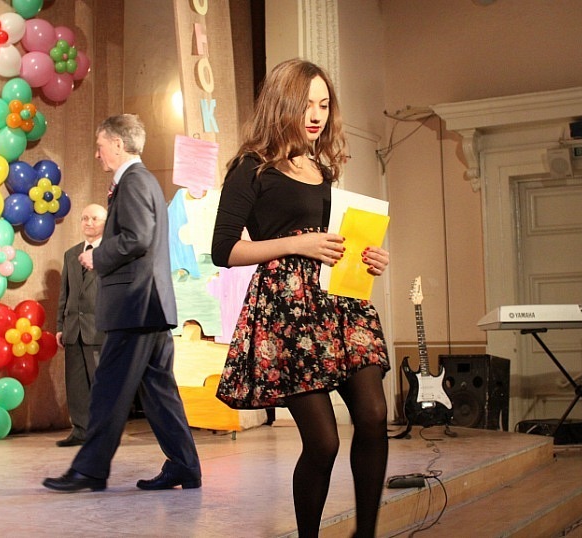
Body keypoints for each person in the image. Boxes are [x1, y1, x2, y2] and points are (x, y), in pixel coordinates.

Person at [211, 59, 391, 538]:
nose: (316, 115)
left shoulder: (321, 167)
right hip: (287, 313)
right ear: (283, 104)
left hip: (340, 304)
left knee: (374, 416)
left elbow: (332, 239)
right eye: (307, 104)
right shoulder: (251, 168)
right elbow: (223, 249)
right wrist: (297, 244)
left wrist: (367, 256)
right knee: (324, 442)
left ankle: (365, 534)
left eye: (324, 105)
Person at [43, 114, 202, 493]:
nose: (97, 154)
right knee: (159, 393)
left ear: (118, 143)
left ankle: (90, 470)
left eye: (100, 146)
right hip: (150, 305)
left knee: (108, 389)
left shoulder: (133, 181)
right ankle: (184, 466)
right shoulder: (142, 181)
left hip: (135, 305)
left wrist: (97, 256)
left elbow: (137, 237)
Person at [54, 203, 107, 447]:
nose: (89, 223)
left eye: (95, 218)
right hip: (73, 329)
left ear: (105, 222)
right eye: (85, 218)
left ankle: (102, 432)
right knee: (75, 384)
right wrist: (60, 326)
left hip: (99, 329)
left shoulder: (110, 253)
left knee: (100, 382)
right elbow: (64, 294)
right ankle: (80, 429)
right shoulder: (71, 254)